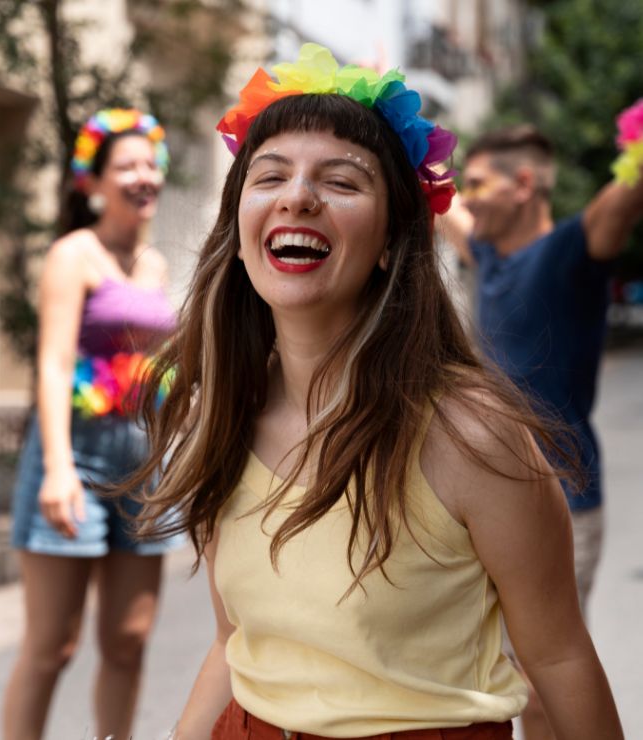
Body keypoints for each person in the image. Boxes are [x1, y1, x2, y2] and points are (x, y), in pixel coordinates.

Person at [123, 44, 623, 739]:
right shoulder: (222, 412)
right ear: (238, 232)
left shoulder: (472, 436)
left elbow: (562, 661)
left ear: (391, 241)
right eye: (270, 176)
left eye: (342, 181)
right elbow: (233, 643)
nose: (299, 195)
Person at [439, 116, 643, 739]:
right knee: (518, 681)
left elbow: (626, 197)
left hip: (565, 497)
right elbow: (433, 193)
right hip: (491, 501)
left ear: (523, 184)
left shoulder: (569, 252)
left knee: (543, 676)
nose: (465, 196)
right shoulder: (489, 258)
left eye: (478, 183)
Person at [3, 108, 184, 740]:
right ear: (94, 182)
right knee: (53, 644)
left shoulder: (156, 266)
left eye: (149, 163)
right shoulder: (73, 255)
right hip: (75, 455)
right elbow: (53, 366)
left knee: (129, 641)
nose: (144, 175)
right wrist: (57, 468)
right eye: (126, 165)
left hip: (142, 460)